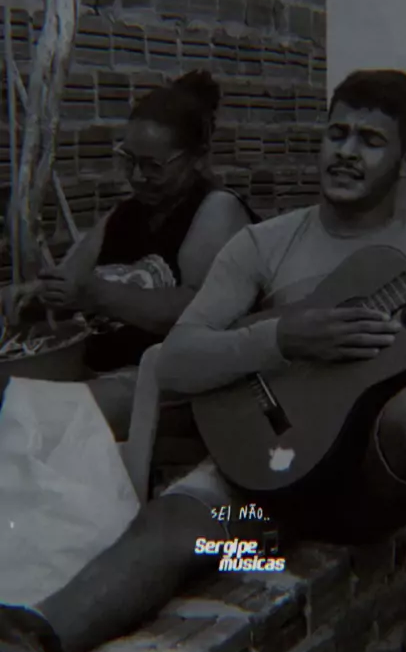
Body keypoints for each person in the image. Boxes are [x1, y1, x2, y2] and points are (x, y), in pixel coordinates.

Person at [2, 69, 406, 652]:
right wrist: (284, 337)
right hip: (265, 507)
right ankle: (30, 645)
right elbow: (179, 359)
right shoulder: (264, 242)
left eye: (370, 141)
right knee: (174, 528)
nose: (345, 152)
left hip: (363, 502)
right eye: (336, 133)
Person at [0, 69, 257, 438]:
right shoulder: (124, 215)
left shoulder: (216, 210)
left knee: (36, 416)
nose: (137, 176)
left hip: (169, 383)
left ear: (197, 158)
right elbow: (70, 282)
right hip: (99, 368)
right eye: (129, 160)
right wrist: (36, 295)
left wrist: (97, 294)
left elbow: (197, 313)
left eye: (153, 166)